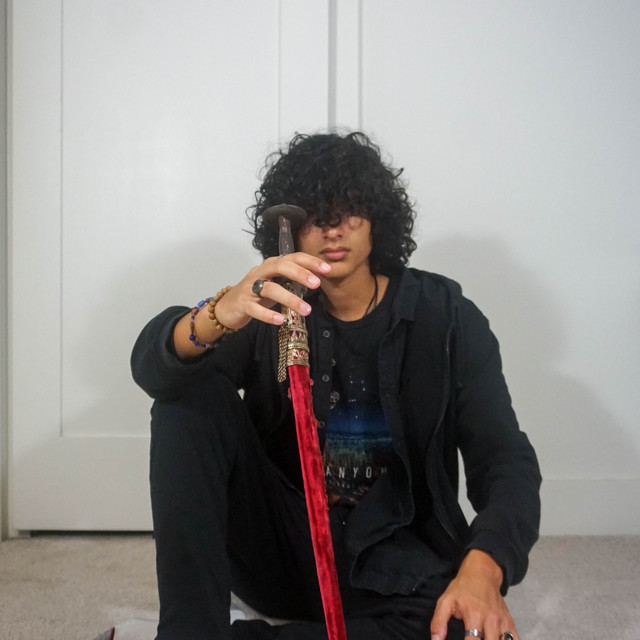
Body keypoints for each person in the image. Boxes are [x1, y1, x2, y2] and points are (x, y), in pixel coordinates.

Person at [131, 131, 541, 640]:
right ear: (289, 230)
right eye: (315, 215)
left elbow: (505, 460)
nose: (333, 229)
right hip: (283, 548)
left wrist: (483, 570)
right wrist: (220, 311)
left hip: (396, 563)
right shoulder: (271, 307)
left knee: (458, 631)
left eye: (350, 209)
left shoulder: (446, 318)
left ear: (378, 217)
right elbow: (152, 369)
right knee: (187, 395)